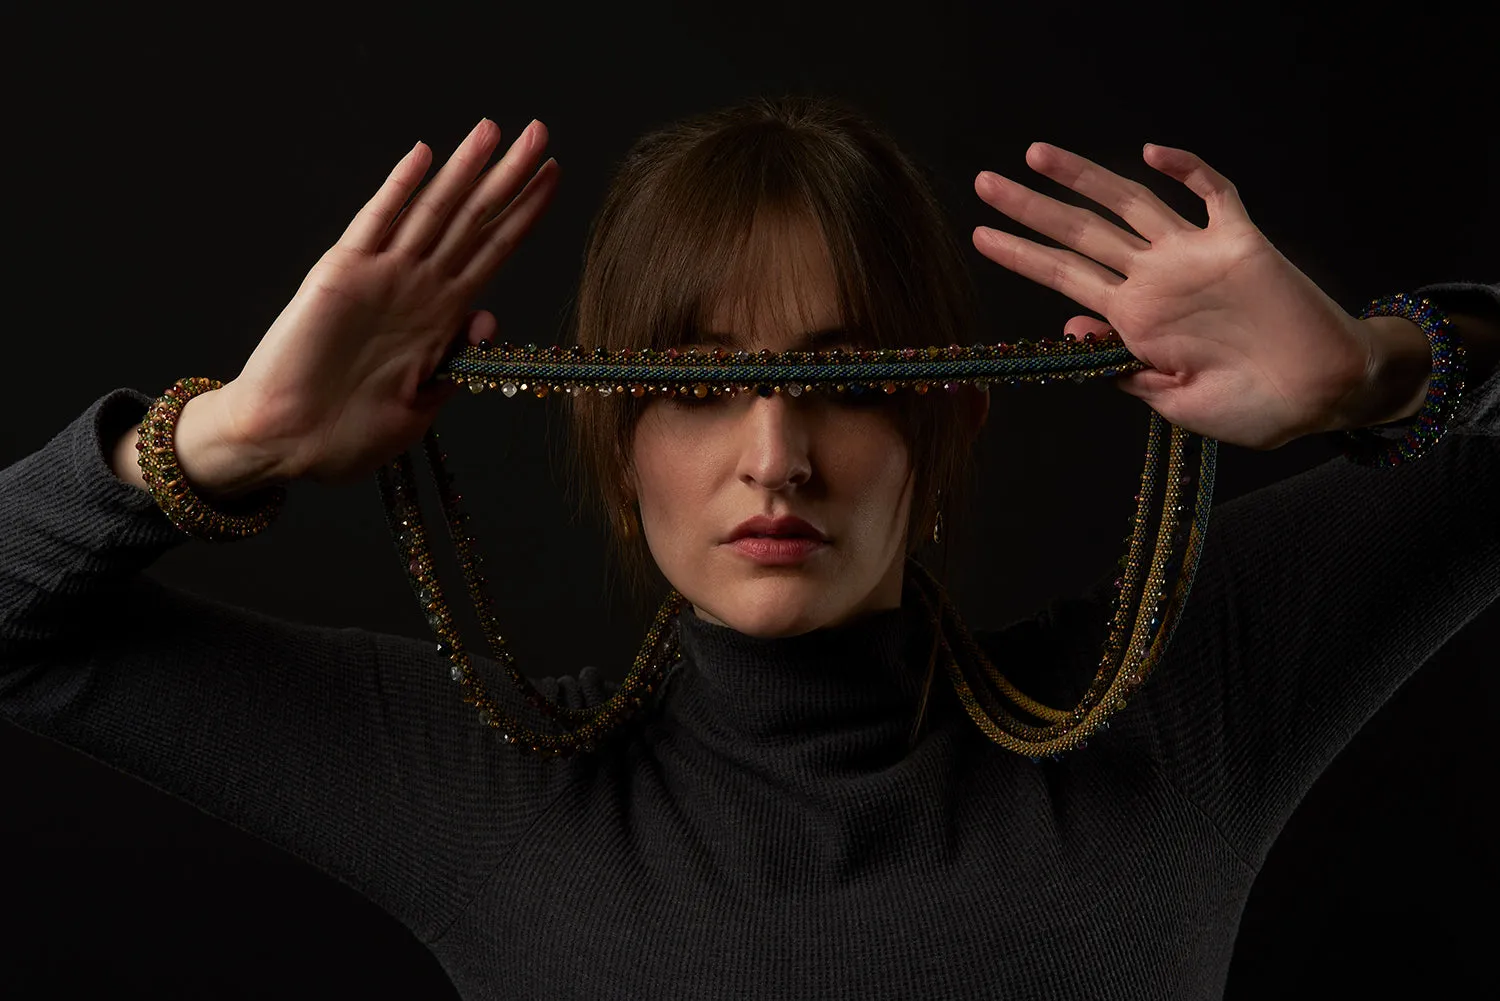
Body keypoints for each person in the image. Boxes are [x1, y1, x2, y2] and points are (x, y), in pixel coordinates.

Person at [1, 94, 1495, 999]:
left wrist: (1382, 371)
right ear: (615, 436)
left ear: (951, 423)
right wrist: (218, 442)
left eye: (848, 384)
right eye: (697, 387)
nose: (773, 456)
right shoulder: (489, 786)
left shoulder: (1182, 708)